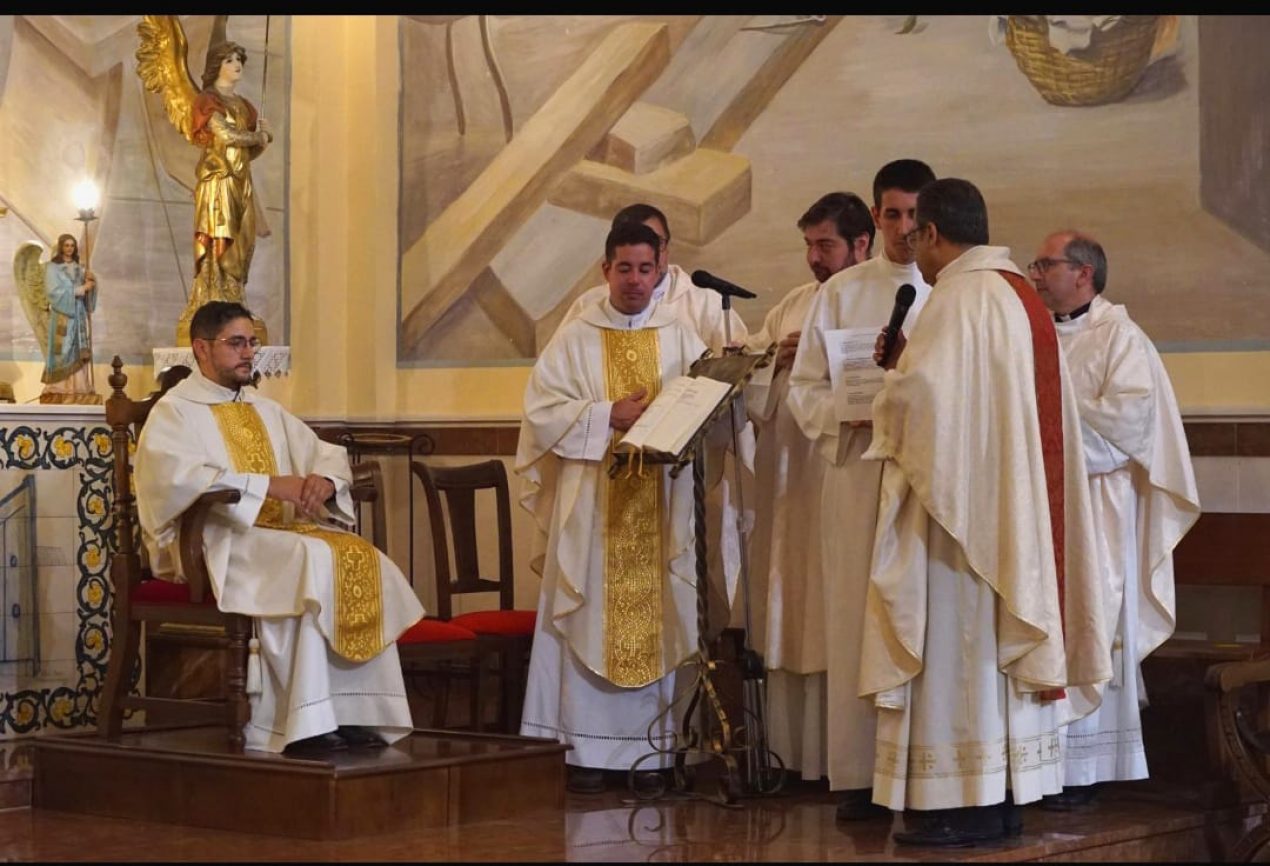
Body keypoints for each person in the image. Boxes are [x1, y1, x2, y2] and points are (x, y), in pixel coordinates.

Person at [859, 178, 1111, 845]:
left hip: (961, 526)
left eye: (919, 241)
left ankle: (955, 803)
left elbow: (926, 404)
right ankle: (1001, 799)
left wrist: (889, 392)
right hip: (1013, 517)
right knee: (995, 652)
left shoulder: (961, 297)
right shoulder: (1021, 297)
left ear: (934, 233)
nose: (920, 257)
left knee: (958, 652)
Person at [134, 301, 424, 754]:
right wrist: (272, 486)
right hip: (211, 542)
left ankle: (353, 712)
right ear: (201, 349)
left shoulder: (263, 408)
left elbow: (321, 451)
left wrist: (322, 481)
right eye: (236, 343)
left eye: (252, 343)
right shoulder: (175, 412)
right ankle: (303, 719)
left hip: (268, 535)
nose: (248, 352)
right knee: (308, 560)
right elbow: (176, 481)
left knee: (353, 553)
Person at [515, 221, 717, 794]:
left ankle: (654, 758)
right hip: (594, 508)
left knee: (663, 614)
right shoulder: (577, 336)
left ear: (662, 270)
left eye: (645, 269)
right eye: (623, 268)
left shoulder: (681, 336)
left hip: (661, 506)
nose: (634, 280)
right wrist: (608, 415)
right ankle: (584, 752)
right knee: (587, 613)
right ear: (605, 270)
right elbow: (541, 413)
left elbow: (705, 410)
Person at [784, 159, 936, 821]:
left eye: (914, 215)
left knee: (917, 621)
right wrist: (842, 413)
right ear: (875, 218)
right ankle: (860, 775)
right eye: (893, 214)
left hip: (922, 477)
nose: (905, 229)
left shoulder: (950, 291)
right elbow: (805, 389)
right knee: (855, 618)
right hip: (853, 474)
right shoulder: (841, 293)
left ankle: (927, 771)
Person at [1029, 230, 1200, 807]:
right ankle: (1041, 761)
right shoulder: (1032, 335)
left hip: (1099, 511)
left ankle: (1086, 768)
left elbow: (1129, 426)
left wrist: (1049, 421)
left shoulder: (1121, 338)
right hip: (1041, 507)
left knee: (1093, 623)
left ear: (1083, 273)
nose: (1036, 272)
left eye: (1045, 263)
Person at [741, 191, 875, 795]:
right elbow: (750, 389)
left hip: (846, 477)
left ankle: (847, 762)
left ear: (861, 245)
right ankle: (792, 755)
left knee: (839, 612)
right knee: (791, 610)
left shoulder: (876, 299)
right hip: (792, 482)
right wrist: (772, 361)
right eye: (809, 246)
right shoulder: (794, 305)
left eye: (825, 245)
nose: (814, 259)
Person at [556, 203, 748, 354]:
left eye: (656, 242)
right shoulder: (588, 305)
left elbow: (737, 374)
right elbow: (557, 375)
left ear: (667, 247)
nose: (646, 251)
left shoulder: (705, 302)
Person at [181, 40, 273, 346]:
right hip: (217, 178)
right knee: (220, 237)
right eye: (230, 60)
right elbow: (226, 135)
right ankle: (213, 300)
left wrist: (262, 140)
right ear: (217, 65)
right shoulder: (208, 100)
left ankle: (235, 297)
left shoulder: (245, 106)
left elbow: (248, 152)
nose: (237, 65)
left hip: (239, 181)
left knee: (243, 240)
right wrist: (256, 136)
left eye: (239, 60)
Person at [41, 234, 97, 401]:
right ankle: (59, 386)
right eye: (66, 245)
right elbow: (54, 293)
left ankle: (80, 386)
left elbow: (88, 294)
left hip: (78, 314)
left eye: (72, 245)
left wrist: (92, 284)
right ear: (60, 247)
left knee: (79, 348)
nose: (69, 249)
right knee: (63, 349)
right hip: (63, 315)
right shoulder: (52, 268)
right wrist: (81, 289)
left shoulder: (80, 268)